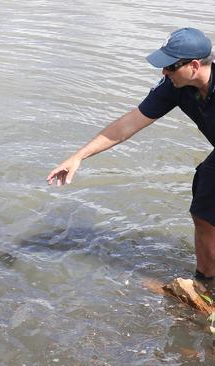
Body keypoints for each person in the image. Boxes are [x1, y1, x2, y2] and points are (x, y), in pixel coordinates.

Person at [47, 27, 215, 280]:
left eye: (170, 66)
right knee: (203, 210)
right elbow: (128, 125)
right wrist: (78, 156)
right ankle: (206, 282)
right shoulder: (176, 86)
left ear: (193, 66)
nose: (164, 72)